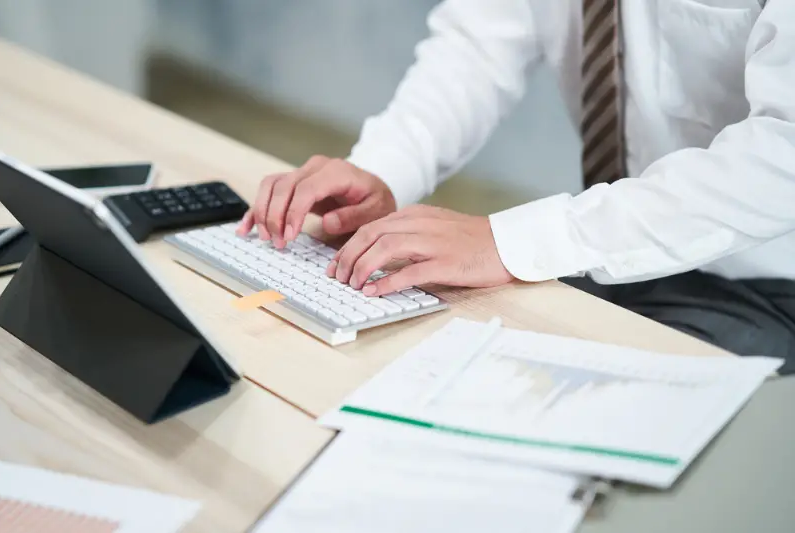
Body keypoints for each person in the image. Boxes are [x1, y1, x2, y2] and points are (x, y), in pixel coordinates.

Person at [238, 0, 795, 373]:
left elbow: (784, 150)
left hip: (766, 278)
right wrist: (384, 168)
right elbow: (478, 46)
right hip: (609, 251)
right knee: (431, 368)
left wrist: (518, 242)